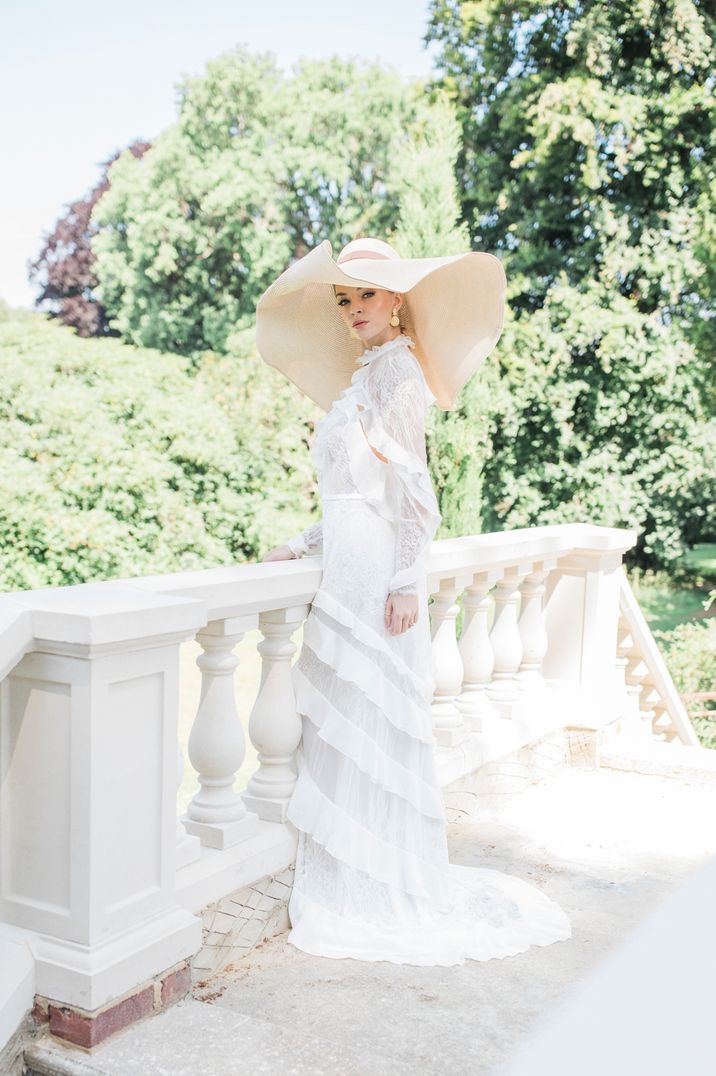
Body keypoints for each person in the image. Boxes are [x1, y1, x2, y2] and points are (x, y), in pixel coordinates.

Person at [256, 237, 571, 965]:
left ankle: (372, 876)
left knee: (370, 716)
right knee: (346, 716)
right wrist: (304, 544)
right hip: (347, 561)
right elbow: (349, 492)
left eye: (366, 295)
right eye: (344, 299)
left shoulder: (397, 372)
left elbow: (413, 494)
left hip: (373, 577)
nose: (354, 310)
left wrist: (404, 584)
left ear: (395, 299)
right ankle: (347, 870)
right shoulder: (367, 376)